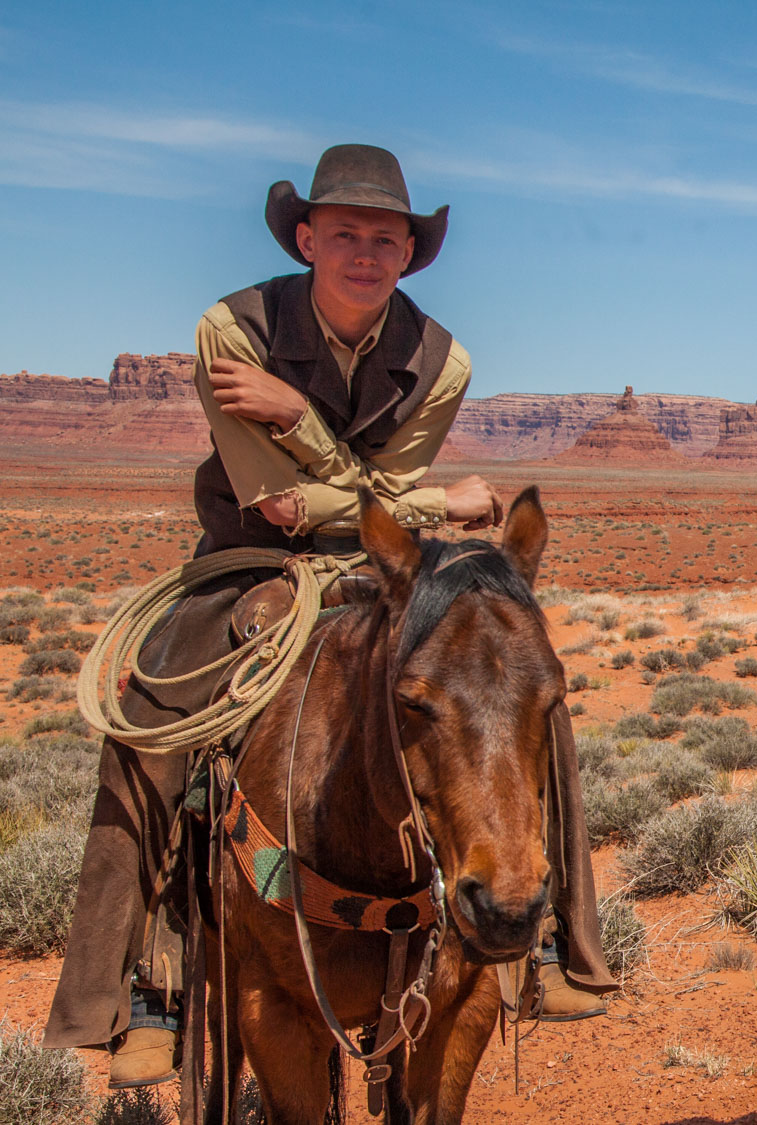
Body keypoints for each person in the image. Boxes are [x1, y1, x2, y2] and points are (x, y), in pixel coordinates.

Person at [44, 144, 614, 1088]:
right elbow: (280, 505)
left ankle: (556, 937)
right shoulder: (231, 329)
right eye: (343, 232)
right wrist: (423, 498)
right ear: (306, 239)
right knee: (153, 712)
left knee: (516, 684)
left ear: (408, 254)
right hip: (250, 557)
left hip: (379, 561)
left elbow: (382, 503)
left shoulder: (440, 358)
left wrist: (340, 456)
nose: (364, 252)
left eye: (384, 238)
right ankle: (136, 983)